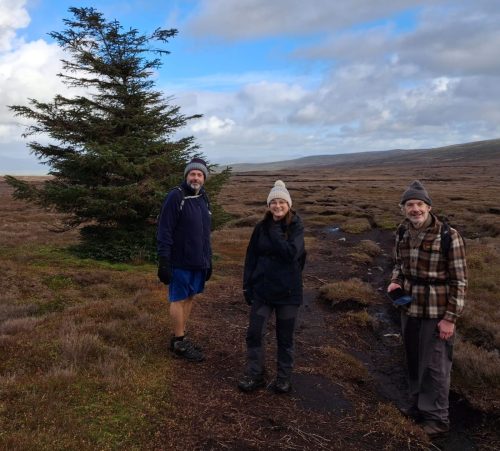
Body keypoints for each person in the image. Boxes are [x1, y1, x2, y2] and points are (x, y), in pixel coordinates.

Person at [387, 180, 467, 437]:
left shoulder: (448, 235)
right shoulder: (402, 231)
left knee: (435, 365)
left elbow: (459, 281)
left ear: (429, 207)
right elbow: (399, 264)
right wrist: (395, 281)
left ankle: (437, 419)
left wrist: (450, 318)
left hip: (437, 310)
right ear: (403, 208)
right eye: (410, 204)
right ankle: (418, 406)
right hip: (409, 307)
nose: (415, 209)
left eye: (420, 204)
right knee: (413, 358)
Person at [238, 180, 305, 394]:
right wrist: (247, 286)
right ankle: (255, 374)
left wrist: (276, 231)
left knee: (285, 337)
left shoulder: (296, 226)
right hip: (262, 291)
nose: (277, 206)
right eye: (273, 202)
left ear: (288, 204)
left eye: (281, 202)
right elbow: (251, 257)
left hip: (288, 293)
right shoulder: (260, 227)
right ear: (268, 205)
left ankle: (283, 378)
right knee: (254, 333)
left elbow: (292, 254)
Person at [157, 157, 212, 362]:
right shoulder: (176, 196)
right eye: (192, 174)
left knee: (190, 297)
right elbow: (164, 230)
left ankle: (179, 336)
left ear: (204, 178)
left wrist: (208, 260)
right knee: (179, 299)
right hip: (179, 260)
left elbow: (205, 233)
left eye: (199, 175)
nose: (195, 178)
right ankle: (179, 342)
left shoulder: (203, 197)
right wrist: (164, 260)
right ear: (186, 176)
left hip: (198, 261)